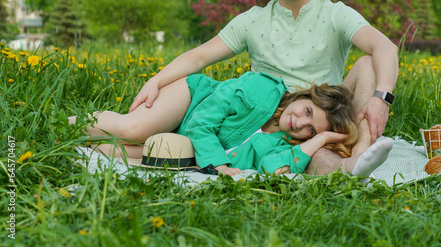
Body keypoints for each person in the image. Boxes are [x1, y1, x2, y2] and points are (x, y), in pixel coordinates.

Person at [128, 0, 399, 175]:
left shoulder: (335, 13)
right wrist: (156, 80)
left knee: (367, 63)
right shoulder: (253, 20)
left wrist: (382, 96)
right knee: (137, 134)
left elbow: (386, 47)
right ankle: (346, 168)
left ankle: (361, 154)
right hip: (270, 117)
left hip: (322, 111)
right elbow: (200, 57)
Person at [69, 71, 392, 178]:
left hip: (188, 141)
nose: (300, 123)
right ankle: (65, 123)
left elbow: (271, 166)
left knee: (126, 153)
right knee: (132, 130)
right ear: (304, 95)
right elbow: (202, 121)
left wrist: (319, 142)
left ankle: (70, 142)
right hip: (190, 101)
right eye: (307, 110)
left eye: (311, 128)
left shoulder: (284, 142)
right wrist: (220, 165)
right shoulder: (261, 88)